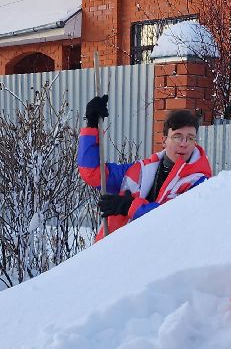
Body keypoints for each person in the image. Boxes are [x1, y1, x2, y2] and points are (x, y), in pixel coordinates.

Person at [77, 97, 212, 241]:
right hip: (114, 254)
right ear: (164, 140)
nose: (184, 144)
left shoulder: (200, 183)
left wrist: (130, 207)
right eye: (177, 137)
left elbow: (175, 220)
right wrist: (92, 126)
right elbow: (92, 173)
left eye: (190, 138)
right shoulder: (140, 170)